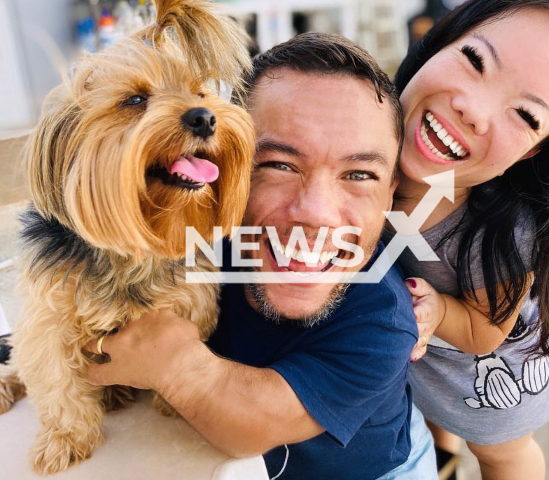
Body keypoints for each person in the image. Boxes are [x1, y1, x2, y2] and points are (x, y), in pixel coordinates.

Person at [84, 33, 437, 480]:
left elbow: (254, 423)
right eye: (278, 165)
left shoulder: (383, 320)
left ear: (389, 196)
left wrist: (173, 365)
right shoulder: (199, 240)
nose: (316, 213)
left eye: (359, 174)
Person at [388, 1, 549, 479]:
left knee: (503, 456)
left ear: (533, 150)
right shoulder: (361, 127)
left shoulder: (503, 234)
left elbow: (483, 333)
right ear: (436, 42)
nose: (472, 111)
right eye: (475, 61)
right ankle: (442, 456)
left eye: (525, 114)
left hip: (498, 376)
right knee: (434, 423)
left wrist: (437, 311)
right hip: (427, 362)